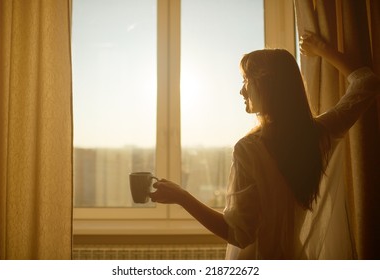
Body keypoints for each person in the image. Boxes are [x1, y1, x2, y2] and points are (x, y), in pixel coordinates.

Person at [149, 31, 380, 259]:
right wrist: (322, 49)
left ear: (266, 85)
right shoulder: (318, 135)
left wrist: (182, 197)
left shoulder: (248, 150)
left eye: (246, 81)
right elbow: (365, 83)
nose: (241, 90)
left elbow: (238, 234)